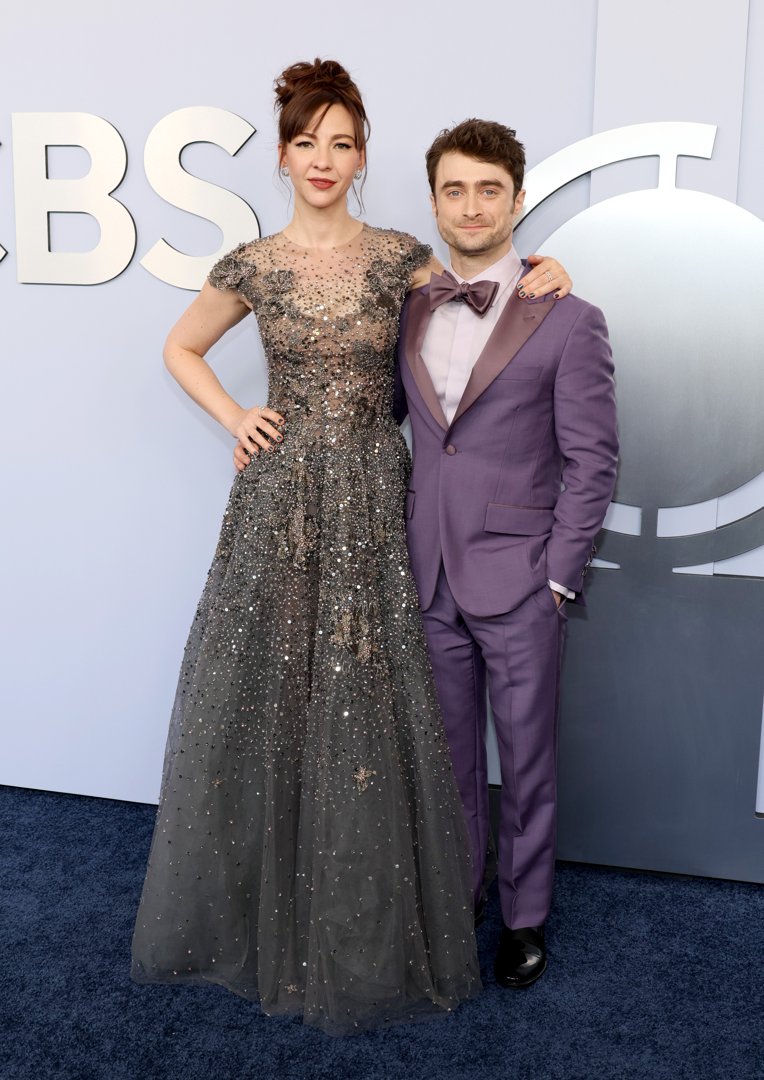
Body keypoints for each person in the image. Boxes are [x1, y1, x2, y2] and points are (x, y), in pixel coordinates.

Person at [132, 60, 569, 1035]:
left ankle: (394, 889)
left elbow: (479, 293)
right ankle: (281, 892)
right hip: (284, 504)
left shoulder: (400, 256)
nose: (323, 159)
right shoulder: (252, 261)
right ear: (283, 153)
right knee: (283, 691)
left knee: (375, 694)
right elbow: (179, 347)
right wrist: (235, 413)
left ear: (361, 154)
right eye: (305, 142)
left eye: (341, 142)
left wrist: (547, 273)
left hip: (382, 495)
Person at [394, 120, 618, 989]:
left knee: (525, 763)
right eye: (455, 189)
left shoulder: (569, 318)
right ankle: (460, 893)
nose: (473, 205)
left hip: (524, 577)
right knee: (448, 755)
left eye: (490, 189)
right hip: (430, 571)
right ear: (436, 202)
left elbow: (594, 458)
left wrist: (560, 574)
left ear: (517, 199)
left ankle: (525, 918)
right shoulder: (411, 305)